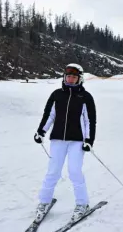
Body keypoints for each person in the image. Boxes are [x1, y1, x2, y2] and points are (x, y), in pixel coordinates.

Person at [34, 63, 97, 222]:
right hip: (58, 139)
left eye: (74, 77)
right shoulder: (56, 95)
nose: (70, 79)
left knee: (74, 171)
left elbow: (90, 121)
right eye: (68, 76)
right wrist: (41, 131)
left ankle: (82, 204)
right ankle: (44, 202)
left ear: (79, 79)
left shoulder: (86, 97)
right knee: (53, 172)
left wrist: (89, 140)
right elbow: (49, 115)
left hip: (77, 141)